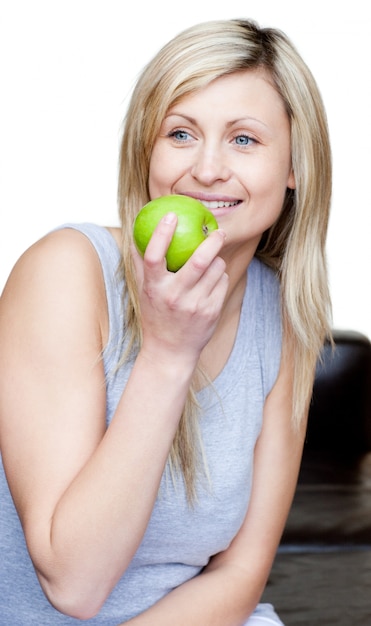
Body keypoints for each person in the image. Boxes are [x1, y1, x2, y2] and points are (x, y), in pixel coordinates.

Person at [0, 18, 332, 626]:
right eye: (181, 133)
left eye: (243, 140)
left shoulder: (282, 319)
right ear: (146, 152)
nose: (206, 170)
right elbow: (73, 583)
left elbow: (240, 574)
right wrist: (168, 353)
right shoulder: (66, 274)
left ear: (293, 166)